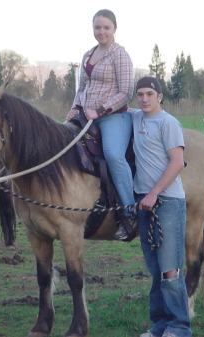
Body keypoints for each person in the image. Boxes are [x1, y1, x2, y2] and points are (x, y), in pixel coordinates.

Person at [130, 76, 192, 337]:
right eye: (140, 94)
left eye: (149, 94)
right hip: (145, 202)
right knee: (155, 270)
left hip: (167, 201)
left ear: (160, 96)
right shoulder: (135, 118)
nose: (144, 99)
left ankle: (180, 326)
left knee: (170, 269)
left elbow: (177, 162)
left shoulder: (169, 123)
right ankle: (160, 325)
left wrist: (154, 193)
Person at [66, 9, 135, 240]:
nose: (102, 31)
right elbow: (82, 88)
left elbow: (126, 92)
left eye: (106, 27)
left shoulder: (120, 55)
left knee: (114, 155)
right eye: (98, 27)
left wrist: (101, 110)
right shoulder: (88, 55)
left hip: (114, 117)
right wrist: (76, 107)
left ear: (114, 29)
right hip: (85, 116)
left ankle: (129, 213)